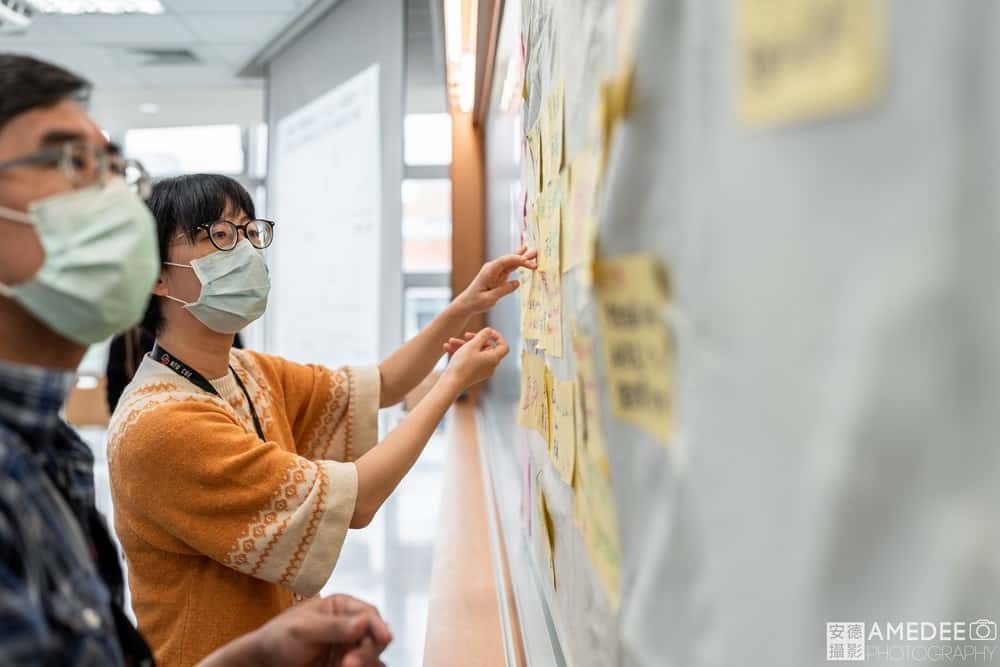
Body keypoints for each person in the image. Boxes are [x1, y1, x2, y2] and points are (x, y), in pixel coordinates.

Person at [0, 53, 392, 666]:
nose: (112, 203)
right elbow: (355, 497)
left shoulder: (50, 452)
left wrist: (261, 654)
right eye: (70, 162)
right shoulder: (141, 427)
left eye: (112, 169)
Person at [104, 178, 532, 660]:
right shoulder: (160, 425)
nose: (245, 251)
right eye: (220, 235)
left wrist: (465, 305)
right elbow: (360, 500)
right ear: (155, 274)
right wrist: (452, 382)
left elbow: (383, 385)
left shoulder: (246, 370)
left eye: (249, 233)